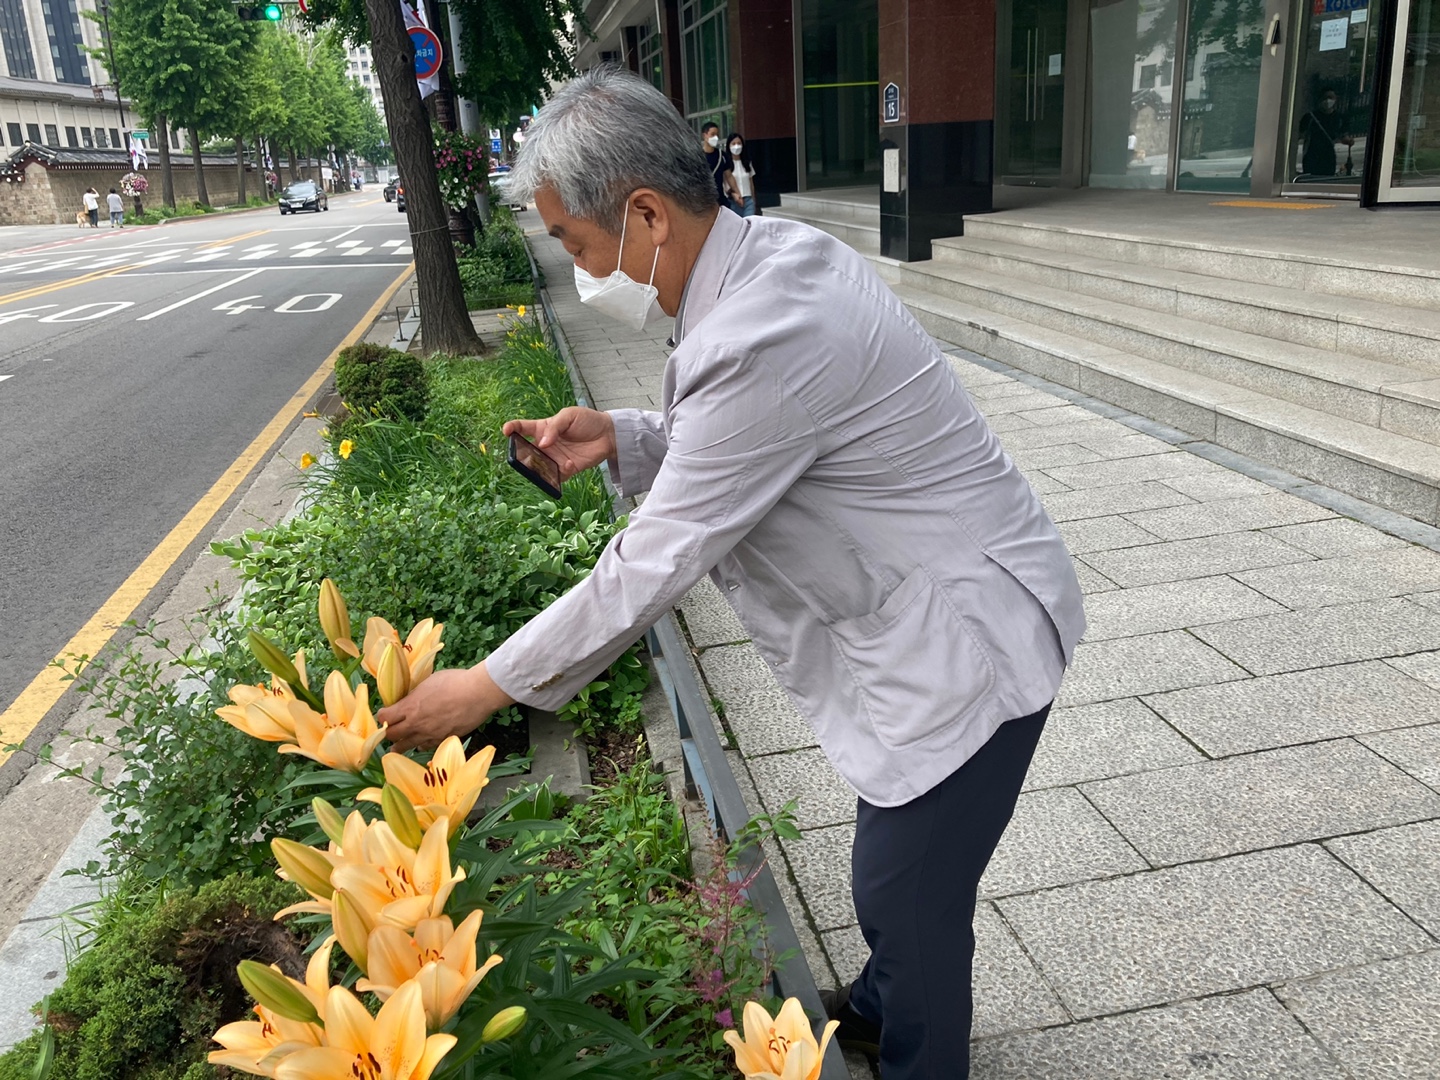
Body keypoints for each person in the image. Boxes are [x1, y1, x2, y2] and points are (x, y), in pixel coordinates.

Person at [377, 67, 1084, 1080]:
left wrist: (488, 685)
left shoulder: (761, 329)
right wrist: (622, 434)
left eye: (575, 243)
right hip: (946, 602)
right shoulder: (774, 255)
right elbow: (750, 437)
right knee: (903, 872)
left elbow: (655, 558)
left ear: (646, 215)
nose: (579, 267)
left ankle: (919, 1050)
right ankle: (882, 1008)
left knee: (906, 889)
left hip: (973, 638)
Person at [1298, 89, 1354, 178]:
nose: (1328, 101)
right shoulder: (1310, 117)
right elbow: (1300, 134)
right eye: (1325, 97)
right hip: (1312, 155)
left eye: (1331, 97)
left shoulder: (1339, 118)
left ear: (1335, 99)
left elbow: (1343, 136)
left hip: (1328, 156)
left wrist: (1348, 141)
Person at [722, 132, 758, 217]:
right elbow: (724, 184)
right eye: (733, 144)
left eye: (739, 143)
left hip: (748, 200)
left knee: (749, 222)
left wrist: (754, 200)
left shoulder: (747, 163)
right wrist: (732, 193)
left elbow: (751, 183)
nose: (736, 146)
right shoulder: (726, 164)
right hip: (733, 201)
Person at [699, 121, 730, 208]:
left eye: (717, 135)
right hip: (704, 200)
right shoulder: (697, 156)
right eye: (712, 134)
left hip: (720, 199)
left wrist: (736, 191)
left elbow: (729, 175)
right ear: (704, 135)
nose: (715, 138)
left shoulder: (721, 155)